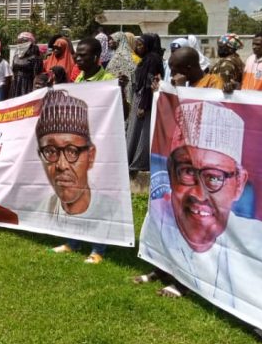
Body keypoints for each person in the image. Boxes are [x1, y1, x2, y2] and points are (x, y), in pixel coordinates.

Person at [140, 100, 262, 339]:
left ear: (239, 184)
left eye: (214, 177)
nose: (199, 193)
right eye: (188, 171)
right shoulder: (160, 215)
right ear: (170, 172)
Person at [35, 89, 123, 263]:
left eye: (72, 151)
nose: (61, 165)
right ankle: (72, 243)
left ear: (90, 156)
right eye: (51, 151)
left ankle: (98, 249)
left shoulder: (111, 206)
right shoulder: (43, 206)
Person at [127, 34, 163, 173]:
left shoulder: (152, 60)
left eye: (141, 45)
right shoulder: (146, 59)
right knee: (135, 129)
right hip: (140, 97)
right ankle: (133, 159)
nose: (138, 47)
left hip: (144, 100)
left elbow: (149, 83)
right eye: (137, 44)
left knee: (142, 131)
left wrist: (143, 105)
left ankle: (139, 162)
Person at [10, 32, 42, 97]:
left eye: (23, 41)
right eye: (19, 41)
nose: (20, 44)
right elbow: (13, 71)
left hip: (27, 85)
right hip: (16, 84)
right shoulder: (16, 56)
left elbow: (36, 76)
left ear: (29, 43)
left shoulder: (35, 58)